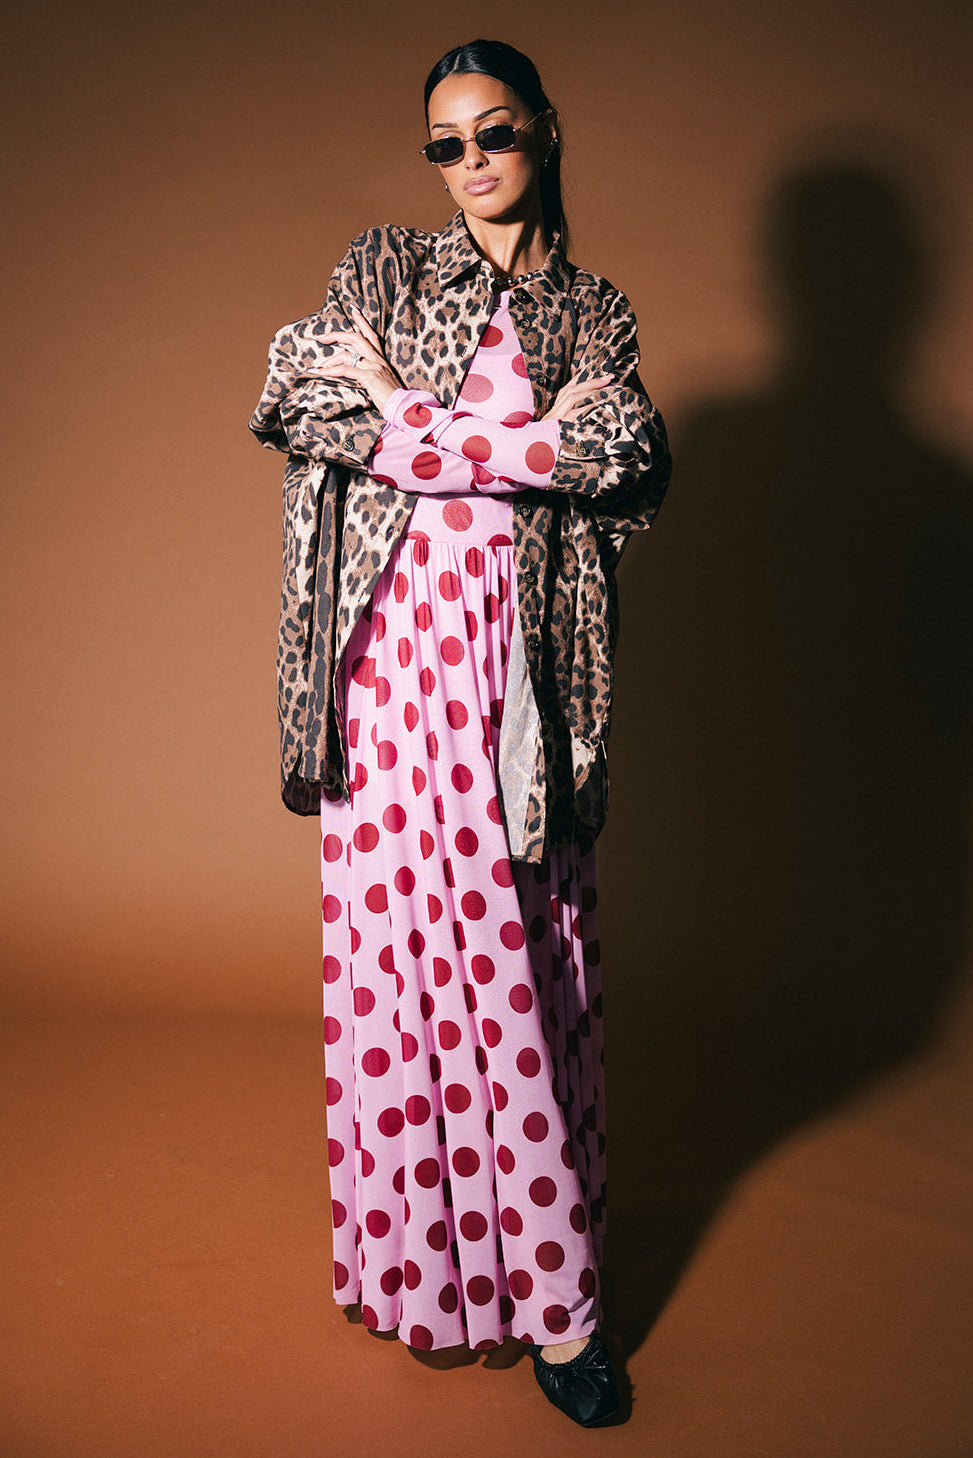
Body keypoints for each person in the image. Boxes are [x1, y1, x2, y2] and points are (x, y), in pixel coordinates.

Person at [250, 38, 670, 1427]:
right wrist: (511, 446)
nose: (471, 163)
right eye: (445, 143)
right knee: (405, 972)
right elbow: (298, 399)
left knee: (512, 951)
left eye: (494, 134)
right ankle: (426, 1272)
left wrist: (410, 424)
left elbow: (624, 456)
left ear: (545, 131)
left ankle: (560, 1306)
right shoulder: (381, 268)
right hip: (385, 666)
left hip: (521, 677)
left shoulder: (590, 311)